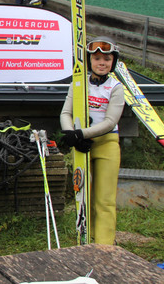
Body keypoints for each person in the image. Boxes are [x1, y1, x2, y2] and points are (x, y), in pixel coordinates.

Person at [60, 36, 125, 245]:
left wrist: (82, 134)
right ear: (89, 61)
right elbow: (65, 113)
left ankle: (105, 246)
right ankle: (86, 241)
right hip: (82, 146)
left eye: (107, 59)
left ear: (113, 61)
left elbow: (110, 121)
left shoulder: (116, 87)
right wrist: (71, 134)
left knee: (104, 200)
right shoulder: (78, 83)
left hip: (106, 144)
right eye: (97, 59)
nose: (102, 63)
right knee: (83, 197)